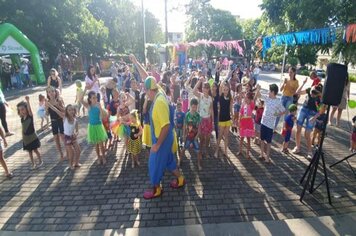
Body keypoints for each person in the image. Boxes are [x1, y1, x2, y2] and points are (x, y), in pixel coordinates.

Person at [143, 76, 185, 200]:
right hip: (166, 138)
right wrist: (135, 62)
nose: (146, 95)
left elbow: (165, 126)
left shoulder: (159, 102)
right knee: (170, 161)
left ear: (150, 90)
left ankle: (156, 190)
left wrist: (157, 145)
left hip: (162, 139)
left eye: (146, 91)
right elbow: (146, 76)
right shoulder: (159, 91)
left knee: (154, 164)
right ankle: (181, 179)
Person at [293, 79, 323, 158]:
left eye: (314, 94)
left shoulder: (320, 98)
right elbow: (298, 92)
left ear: (318, 94)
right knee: (298, 128)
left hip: (313, 113)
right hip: (304, 109)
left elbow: (320, 111)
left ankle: (309, 152)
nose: (312, 94)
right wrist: (303, 83)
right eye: (312, 92)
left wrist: (314, 118)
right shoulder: (310, 90)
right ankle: (297, 147)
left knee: (307, 134)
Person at [256, 84, 286, 163]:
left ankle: (267, 157)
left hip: (270, 126)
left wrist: (277, 114)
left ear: (273, 92)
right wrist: (258, 89)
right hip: (263, 122)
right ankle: (262, 154)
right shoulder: (267, 98)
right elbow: (259, 95)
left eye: (269, 90)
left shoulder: (277, 102)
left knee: (268, 142)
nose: (268, 92)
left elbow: (284, 110)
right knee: (262, 139)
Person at [46, 103, 81, 170]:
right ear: (67, 111)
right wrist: (50, 104)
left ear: (74, 110)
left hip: (73, 137)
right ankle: (70, 164)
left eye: (72, 110)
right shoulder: (65, 117)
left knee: (78, 150)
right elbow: (56, 110)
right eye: (69, 110)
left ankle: (76, 163)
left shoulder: (75, 120)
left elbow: (77, 130)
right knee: (72, 152)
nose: (71, 111)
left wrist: (76, 134)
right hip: (67, 137)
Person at [80, 91, 108, 164]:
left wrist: (101, 108)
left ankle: (104, 157)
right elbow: (80, 99)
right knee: (96, 145)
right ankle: (98, 157)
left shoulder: (98, 105)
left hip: (99, 126)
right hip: (92, 127)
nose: (95, 99)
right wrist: (85, 89)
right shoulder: (88, 106)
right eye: (93, 98)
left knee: (101, 144)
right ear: (90, 99)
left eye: (96, 97)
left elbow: (103, 116)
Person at [17, 96, 42, 169]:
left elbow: (30, 111)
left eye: (23, 109)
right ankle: (33, 164)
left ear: (26, 109)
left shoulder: (30, 116)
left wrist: (28, 101)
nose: (22, 111)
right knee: (29, 152)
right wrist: (23, 138)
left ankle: (40, 161)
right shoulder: (22, 119)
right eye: (20, 110)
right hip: (26, 138)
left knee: (35, 150)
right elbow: (23, 129)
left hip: (32, 137)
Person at [193, 77, 213, 158]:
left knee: (208, 138)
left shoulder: (210, 98)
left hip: (208, 120)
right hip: (201, 119)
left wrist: (212, 120)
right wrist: (199, 81)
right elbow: (194, 91)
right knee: (201, 139)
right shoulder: (200, 96)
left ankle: (206, 151)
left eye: (207, 88)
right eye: (204, 87)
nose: (205, 89)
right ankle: (200, 152)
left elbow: (211, 109)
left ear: (209, 89)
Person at [181, 98, 202, 170]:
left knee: (198, 151)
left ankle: (199, 164)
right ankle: (180, 161)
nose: (194, 109)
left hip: (195, 137)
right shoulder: (187, 115)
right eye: (193, 107)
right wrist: (184, 135)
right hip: (188, 136)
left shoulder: (198, 115)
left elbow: (199, 127)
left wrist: (198, 135)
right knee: (183, 149)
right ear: (190, 106)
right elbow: (184, 125)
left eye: (195, 107)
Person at [46, 86, 65, 160]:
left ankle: (67, 151)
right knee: (56, 139)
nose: (51, 93)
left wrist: (57, 105)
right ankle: (61, 154)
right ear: (47, 94)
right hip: (53, 122)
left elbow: (64, 110)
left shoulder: (59, 100)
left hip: (60, 120)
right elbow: (47, 114)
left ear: (55, 92)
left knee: (63, 137)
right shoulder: (47, 102)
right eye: (49, 92)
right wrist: (47, 108)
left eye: (52, 91)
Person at [214, 80, 233, 158]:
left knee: (226, 136)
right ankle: (217, 151)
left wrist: (233, 117)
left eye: (227, 89)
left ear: (229, 90)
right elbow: (220, 86)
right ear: (222, 89)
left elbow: (231, 108)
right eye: (224, 89)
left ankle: (225, 151)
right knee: (220, 136)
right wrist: (225, 80)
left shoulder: (230, 97)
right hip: (221, 120)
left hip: (228, 120)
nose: (225, 91)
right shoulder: (220, 97)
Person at [238, 92, 255, 159]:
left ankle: (248, 153)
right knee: (241, 138)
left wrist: (254, 95)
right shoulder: (243, 105)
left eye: (247, 98)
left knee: (248, 139)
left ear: (250, 99)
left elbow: (253, 102)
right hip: (243, 123)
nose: (246, 99)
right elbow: (240, 113)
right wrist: (239, 121)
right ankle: (240, 150)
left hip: (249, 123)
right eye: (245, 97)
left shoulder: (251, 105)